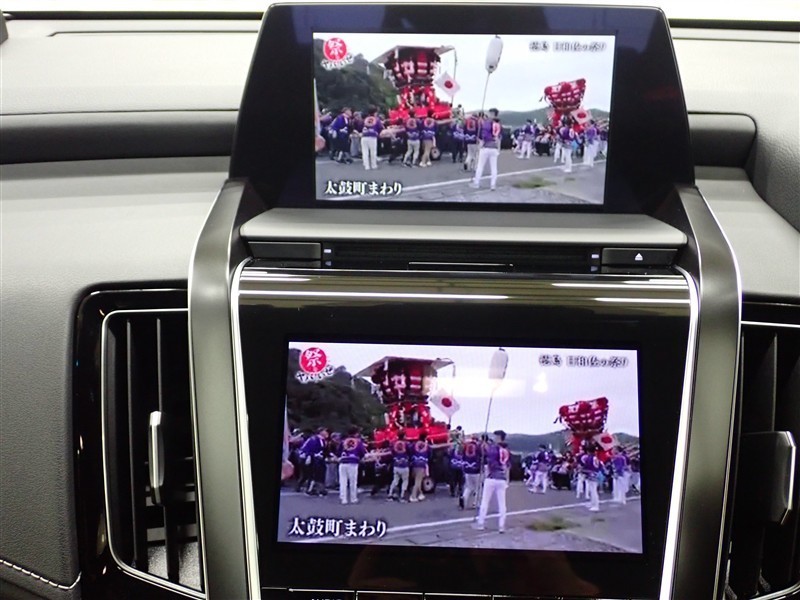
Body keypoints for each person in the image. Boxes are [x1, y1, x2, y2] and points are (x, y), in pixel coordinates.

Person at [475, 430, 510, 532]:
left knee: (485, 502)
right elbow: (508, 467)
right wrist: (507, 479)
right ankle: (501, 526)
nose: (494, 438)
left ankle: (480, 523)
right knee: (502, 504)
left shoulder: (494, 449)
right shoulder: (506, 450)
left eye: (495, 437)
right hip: (502, 478)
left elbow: (485, 454)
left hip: (491, 477)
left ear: (499, 437)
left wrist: (483, 446)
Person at [471, 108, 502, 190]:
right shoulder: (498, 124)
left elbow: (483, 135)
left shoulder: (487, 123)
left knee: (480, 166)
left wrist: (481, 141)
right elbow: (499, 137)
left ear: (491, 113)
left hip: (486, 146)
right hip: (494, 147)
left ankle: (476, 183)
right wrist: (498, 148)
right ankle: (493, 185)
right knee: (494, 167)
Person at [338, 426, 366, 505]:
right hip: (353, 462)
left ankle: (343, 498)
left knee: (343, 481)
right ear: (356, 433)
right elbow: (362, 452)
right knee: (353, 481)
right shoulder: (358, 442)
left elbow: (338, 452)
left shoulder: (343, 441)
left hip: (343, 461)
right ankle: (353, 498)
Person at [298, 427, 329, 496]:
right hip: (309, 458)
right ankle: (310, 489)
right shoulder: (314, 439)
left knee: (320, 472)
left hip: (317, 458)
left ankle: (319, 488)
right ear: (321, 432)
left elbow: (323, 451)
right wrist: (309, 456)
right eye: (325, 431)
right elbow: (307, 449)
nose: (327, 433)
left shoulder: (323, 440)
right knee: (312, 474)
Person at [388, 430, 411, 502]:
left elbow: (392, 452)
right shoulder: (407, 444)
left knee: (395, 480)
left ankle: (390, 495)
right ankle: (402, 496)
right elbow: (410, 452)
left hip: (396, 464)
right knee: (405, 481)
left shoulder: (393, 443)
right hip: (404, 464)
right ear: (404, 436)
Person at [460, 435, 482, 510]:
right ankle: (475, 503)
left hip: (467, 469)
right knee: (478, 488)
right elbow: (482, 456)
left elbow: (462, 457)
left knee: (469, 487)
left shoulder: (466, 446)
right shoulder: (478, 447)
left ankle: (464, 498)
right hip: (476, 470)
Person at [579, 445, 602, 512]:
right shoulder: (595, 458)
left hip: (591, 475)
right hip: (595, 474)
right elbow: (600, 466)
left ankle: (596, 505)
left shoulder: (589, 458)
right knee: (593, 490)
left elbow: (587, 467)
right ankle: (593, 503)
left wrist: (582, 471)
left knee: (593, 491)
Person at [409, 432, 431, 502]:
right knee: (418, 482)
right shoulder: (427, 446)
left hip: (414, 464)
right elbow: (430, 455)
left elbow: (410, 451)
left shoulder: (414, 444)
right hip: (422, 465)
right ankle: (413, 496)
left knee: (417, 480)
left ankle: (420, 494)